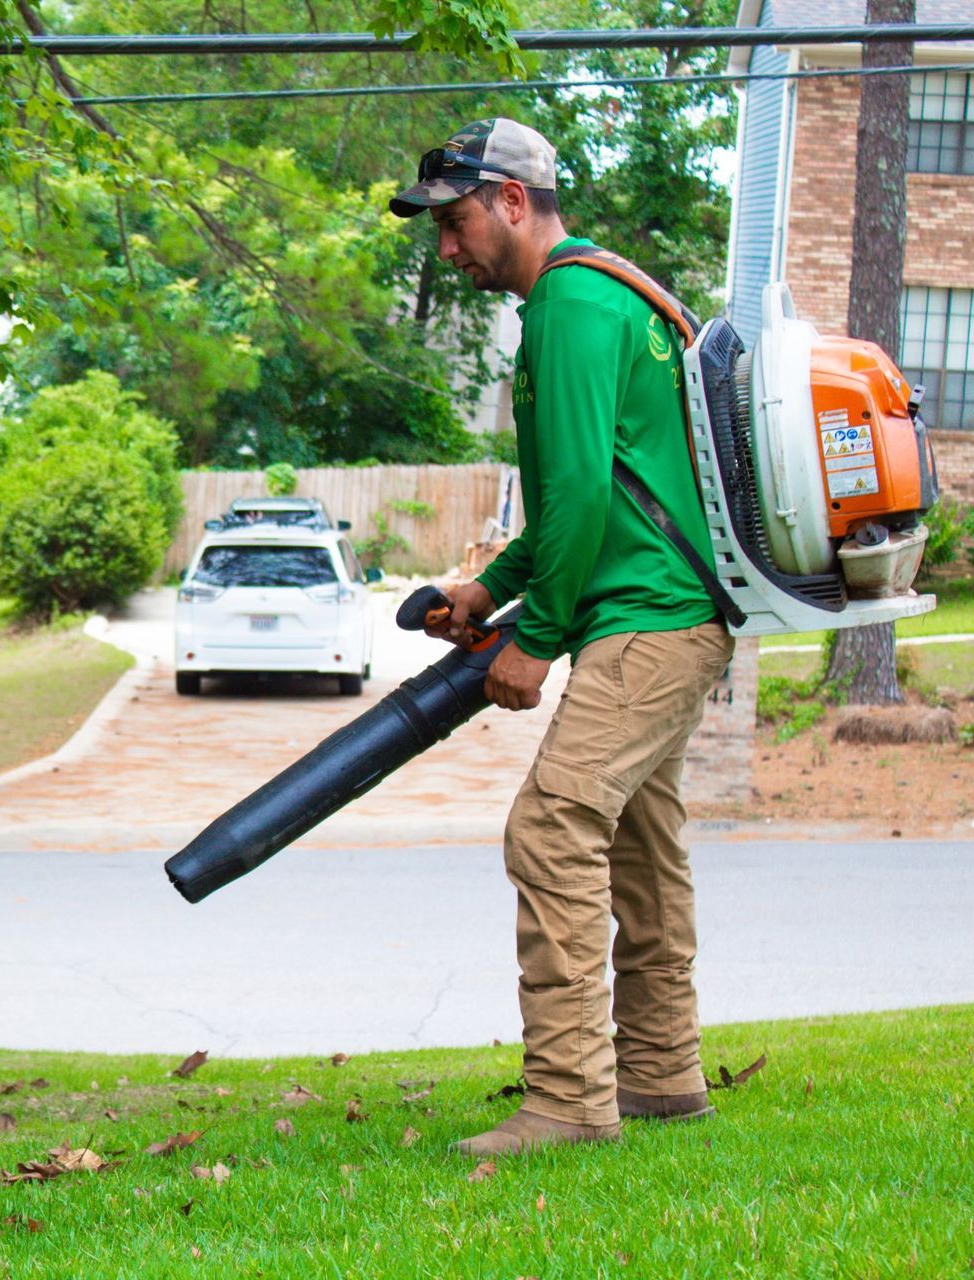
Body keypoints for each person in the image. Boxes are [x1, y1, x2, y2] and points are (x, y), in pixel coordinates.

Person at [388, 118, 736, 1157]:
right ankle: (664, 1075)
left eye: (454, 222)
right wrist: (483, 589)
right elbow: (588, 498)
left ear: (510, 200)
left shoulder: (572, 304)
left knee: (551, 826)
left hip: (649, 622)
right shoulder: (601, 297)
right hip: (666, 614)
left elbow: (585, 489)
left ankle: (571, 1100)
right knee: (638, 837)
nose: (446, 249)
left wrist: (532, 638)